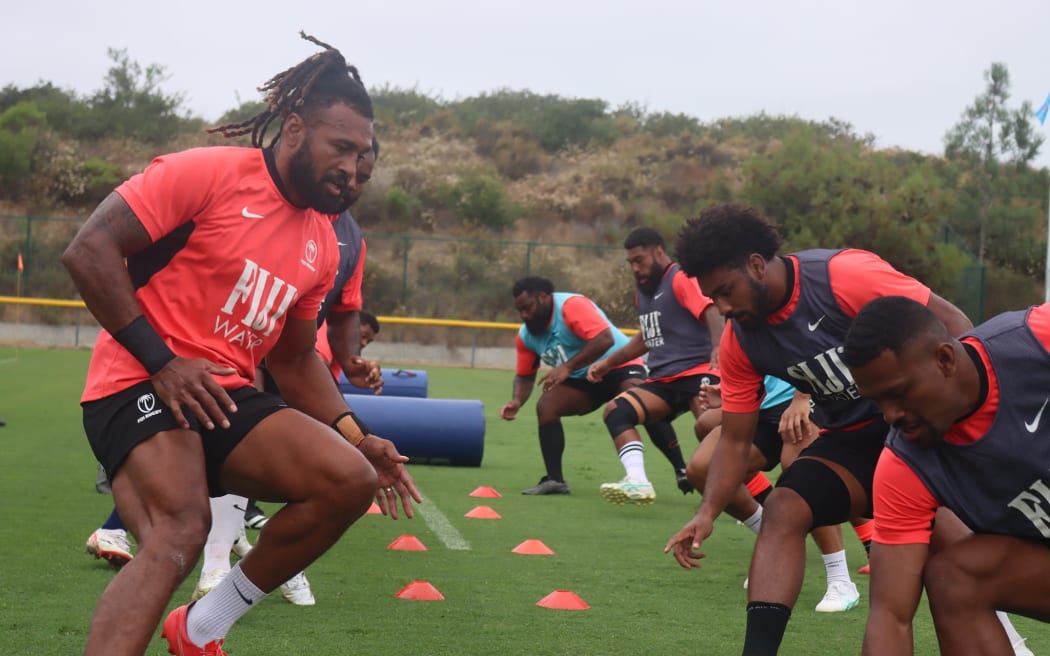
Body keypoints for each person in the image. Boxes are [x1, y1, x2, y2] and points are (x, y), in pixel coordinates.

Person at [63, 33, 420, 656]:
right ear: (293, 130)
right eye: (340, 148)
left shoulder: (324, 243)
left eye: (363, 156)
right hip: (137, 381)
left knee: (348, 480)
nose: (353, 168)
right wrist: (164, 362)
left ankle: (199, 629)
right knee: (180, 530)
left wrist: (360, 437)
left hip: (222, 395)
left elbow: (292, 357)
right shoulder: (206, 173)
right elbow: (88, 250)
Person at [662, 203, 976, 655]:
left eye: (726, 291)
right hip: (852, 439)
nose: (723, 307)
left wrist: (964, 427)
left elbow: (956, 325)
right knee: (785, 508)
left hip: (917, 429)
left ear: (755, 265)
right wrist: (707, 512)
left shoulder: (843, 276)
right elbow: (734, 438)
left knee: (953, 554)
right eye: (713, 297)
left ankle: (1007, 641)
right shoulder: (740, 340)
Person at [192, 142, 385, 607]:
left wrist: (352, 359)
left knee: (320, 468)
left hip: (301, 359)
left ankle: (276, 563)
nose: (350, 181)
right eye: (344, 167)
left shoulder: (350, 238)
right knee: (229, 452)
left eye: (363, 174)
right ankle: (216, 563)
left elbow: (344, 313)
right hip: (238, 351)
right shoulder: (261, 199)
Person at [843, 296, 1044, 656]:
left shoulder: (1034, 341)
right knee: (955, 578)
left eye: (898, 393)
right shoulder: (903, 466)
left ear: (945, 360)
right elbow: (890, 616)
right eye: (878, 402)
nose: (890, 415)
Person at [499, 275, 684, 497]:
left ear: (542, 297)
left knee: (641, 403)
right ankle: (555, 480)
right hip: (582, 380)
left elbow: (604, 339)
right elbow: (525, 376)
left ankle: (681, 469)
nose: (524, 315)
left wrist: (566, 368)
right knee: (546, 406)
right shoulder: (526, 336)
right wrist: (517, 400)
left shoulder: (571, 306)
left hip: (618, 366)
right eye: (519, 310)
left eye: (527, 308)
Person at [691, 378, 862, 612]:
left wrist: (803, 396)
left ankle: (840, 580)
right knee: (703, 467)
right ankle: (775, 544)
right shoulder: (738, 340)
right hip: (762, 403)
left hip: (806, 395)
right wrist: (731, 389)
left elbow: (811, 350)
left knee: (803, 477)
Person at [586, 227, 724, 505]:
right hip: (663, 380)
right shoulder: (644, 292)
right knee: (616, 411)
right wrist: (608, 364)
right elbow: (647, 338)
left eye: (640, 260)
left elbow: (711, 310)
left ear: (659, 252)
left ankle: (753, 499)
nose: (636, 268)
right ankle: (637, 481)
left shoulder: (681, 278)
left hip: (698, 372)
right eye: (631, 263)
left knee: (715, 433)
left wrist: (719, 350)